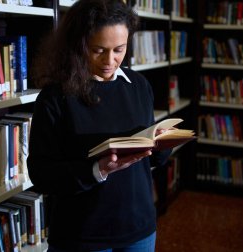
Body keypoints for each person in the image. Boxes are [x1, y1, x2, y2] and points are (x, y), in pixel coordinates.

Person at [27, 0, 172, 251]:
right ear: (78, 44)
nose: (110, 60)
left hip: (138, 228)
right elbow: (41, 176)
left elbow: (153, 161)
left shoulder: (138, 85)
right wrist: (97, 170)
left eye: (119, 49)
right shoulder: (55, 98)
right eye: (98, 50)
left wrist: (162, 143)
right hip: (82, 234)